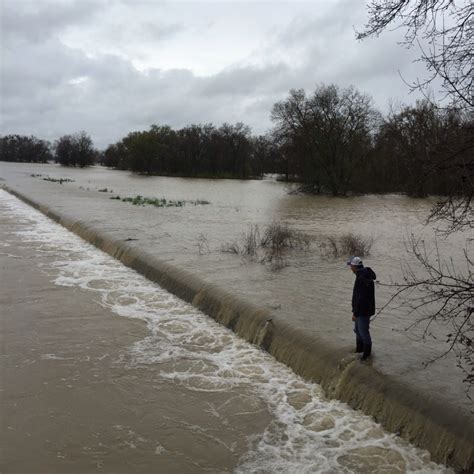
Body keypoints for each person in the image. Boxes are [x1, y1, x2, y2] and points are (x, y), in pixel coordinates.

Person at [347, 256, 376, 361]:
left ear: (355, 266)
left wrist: (355, 313)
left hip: (363, 311)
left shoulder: (362, 278)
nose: (350, 268)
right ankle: (359, 350)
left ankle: (366, 356)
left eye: (351, 265)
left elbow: (361, 298)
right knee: (357, 330)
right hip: (363, 309)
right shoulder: (362, 275)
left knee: (363, 332)